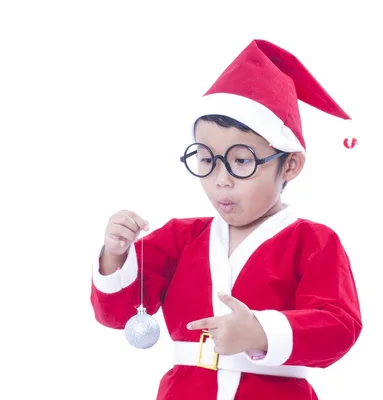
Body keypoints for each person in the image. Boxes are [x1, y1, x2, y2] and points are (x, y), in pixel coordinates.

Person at [90, 39, 363, 400]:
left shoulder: (314, 242)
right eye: (206, 159)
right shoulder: (180, 237)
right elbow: (118, 314)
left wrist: (261, 332)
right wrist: (115, 255)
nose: (221, 179)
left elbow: (339, 328)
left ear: (291, 165)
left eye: (242, 160)